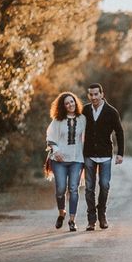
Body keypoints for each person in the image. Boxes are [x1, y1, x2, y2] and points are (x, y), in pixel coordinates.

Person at [82, 83, 124, 231]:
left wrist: (120, 153)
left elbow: (119, 132)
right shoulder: (85, 110)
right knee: (89, 188)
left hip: (106, 154)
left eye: (96, 94)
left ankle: (102, 214)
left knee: (104, 185)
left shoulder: (111, 112)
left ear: (101, 94)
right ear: (89, 96)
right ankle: (91, 220)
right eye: (91, 95)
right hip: (89, 155)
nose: (93, 97)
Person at [46, 91, 86, 232]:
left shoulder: (82, 119)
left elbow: (88, 136)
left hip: (76, 159)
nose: (70, 104)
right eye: (67, 103)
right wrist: (56, 151)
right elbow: (50, 137)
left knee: (74, 189)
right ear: (63, 106)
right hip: (59, 160)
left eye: (72, 101)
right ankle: (61, 212)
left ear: (76, 102)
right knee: (61, 189)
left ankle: (72, 220)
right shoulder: (57, 120)